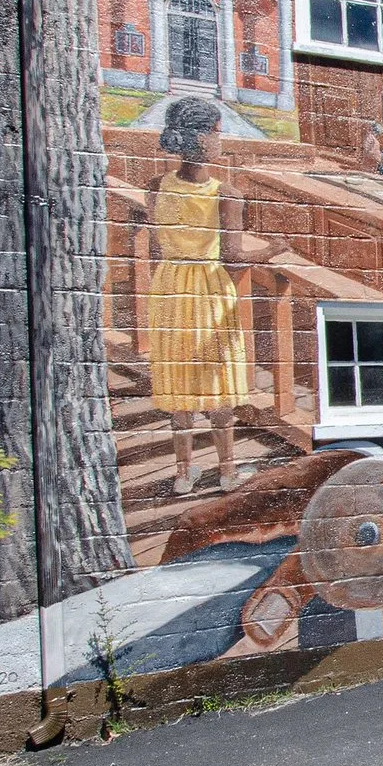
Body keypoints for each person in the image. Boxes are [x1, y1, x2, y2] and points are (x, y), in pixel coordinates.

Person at [144, 98, 255, 496]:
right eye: (216, 131)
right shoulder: (226, 193)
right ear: (201, 137)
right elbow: (235, 256)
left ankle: (183, 473)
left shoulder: (156, 186)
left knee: (180, 383)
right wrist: (274, 250)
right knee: (217, 378)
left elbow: (156, 249)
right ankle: (226, 471)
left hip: (170, 287)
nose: (220, 138)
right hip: (208, 289)